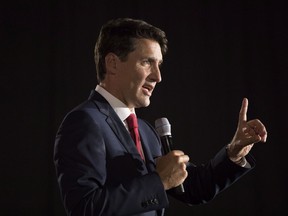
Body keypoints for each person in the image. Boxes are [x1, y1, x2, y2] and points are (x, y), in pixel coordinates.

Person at [53, 17, 268, 216]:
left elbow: (194, 188)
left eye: (159, 64)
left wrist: (234, 151)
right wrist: (159, 181)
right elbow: (84, 207)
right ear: (113, 63)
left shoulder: (146, 132)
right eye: (147, 62)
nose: (158, 76)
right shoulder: (84, 122)